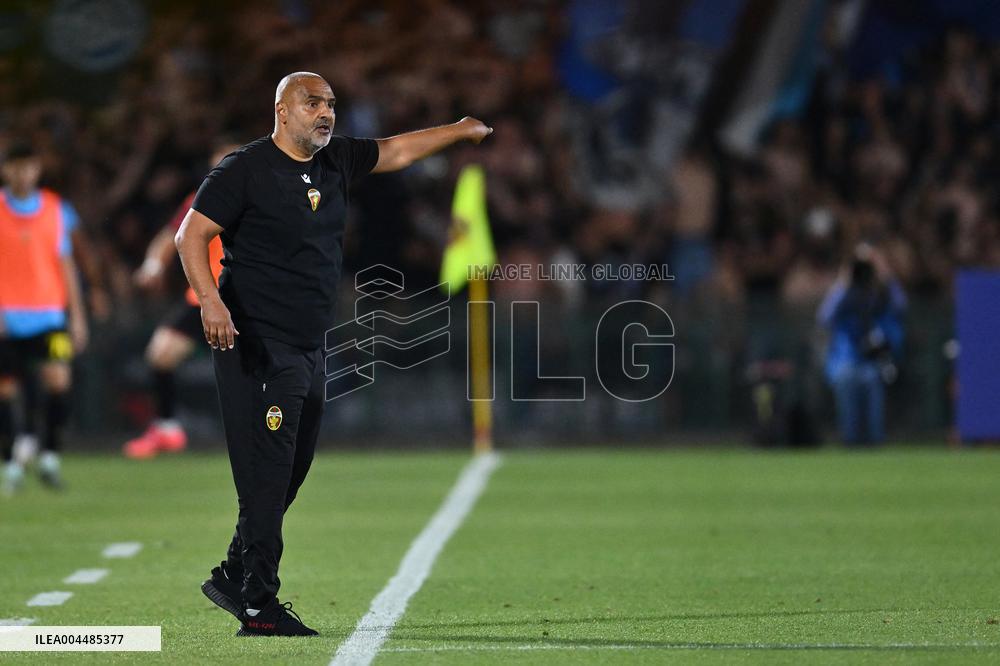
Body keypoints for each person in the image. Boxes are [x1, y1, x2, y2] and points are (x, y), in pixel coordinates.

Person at [175, 71, 491, 636]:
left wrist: (459, 129)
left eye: (330, 104)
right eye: (312, 103)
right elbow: (190, 236)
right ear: (282, 110)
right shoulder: (244, 169)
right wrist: (211, 302)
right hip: (258, 343)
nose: (325, 113)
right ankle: (258, 606)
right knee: (268, 475)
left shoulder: (336, 160)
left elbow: (396, 150)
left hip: (308, 343)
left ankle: (233, 572)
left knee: (291, 472)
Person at [123, 140, 240, 459]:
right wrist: (153, 265)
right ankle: (166, 429)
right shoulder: (201, 197)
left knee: (260, 373)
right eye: (219, 163)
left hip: (244, 299)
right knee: (160, 354)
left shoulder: (262, 197)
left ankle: (276, 429)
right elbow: (170, 235)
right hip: (204, 297)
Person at [0, 142, 89, 494]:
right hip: (7, 318)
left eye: (29, 167)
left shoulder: (56, 209)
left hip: (50, 315)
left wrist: (77, 315)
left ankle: (50, 455)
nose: (23, 174)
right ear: (6, 170)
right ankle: (12, 462)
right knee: (7, 391)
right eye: (16, 167)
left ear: (37, 169)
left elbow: (66, 265)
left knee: (59, 382)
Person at [818, 244, 906, 445]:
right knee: (848, 385)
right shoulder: (845, 295)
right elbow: (824, 317)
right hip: (845, 363)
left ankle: (875, 441)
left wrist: (885, 276)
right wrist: (843, 282)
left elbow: (901, 307)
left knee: (872, 383)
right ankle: (850, 441)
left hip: (873, 363)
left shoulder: (879, 296)